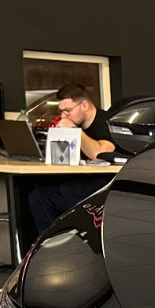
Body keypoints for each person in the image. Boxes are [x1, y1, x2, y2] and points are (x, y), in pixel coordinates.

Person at [27, 84, 116, 237]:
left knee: (40, 198)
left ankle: (53, 245)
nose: (64, 116)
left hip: (104, 183)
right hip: (81, 178)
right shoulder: (74, 123)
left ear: (84, 105)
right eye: (61, 111)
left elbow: (100, 153)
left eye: (67, 111)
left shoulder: (107, 122)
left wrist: (75, 132)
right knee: (34, 187)